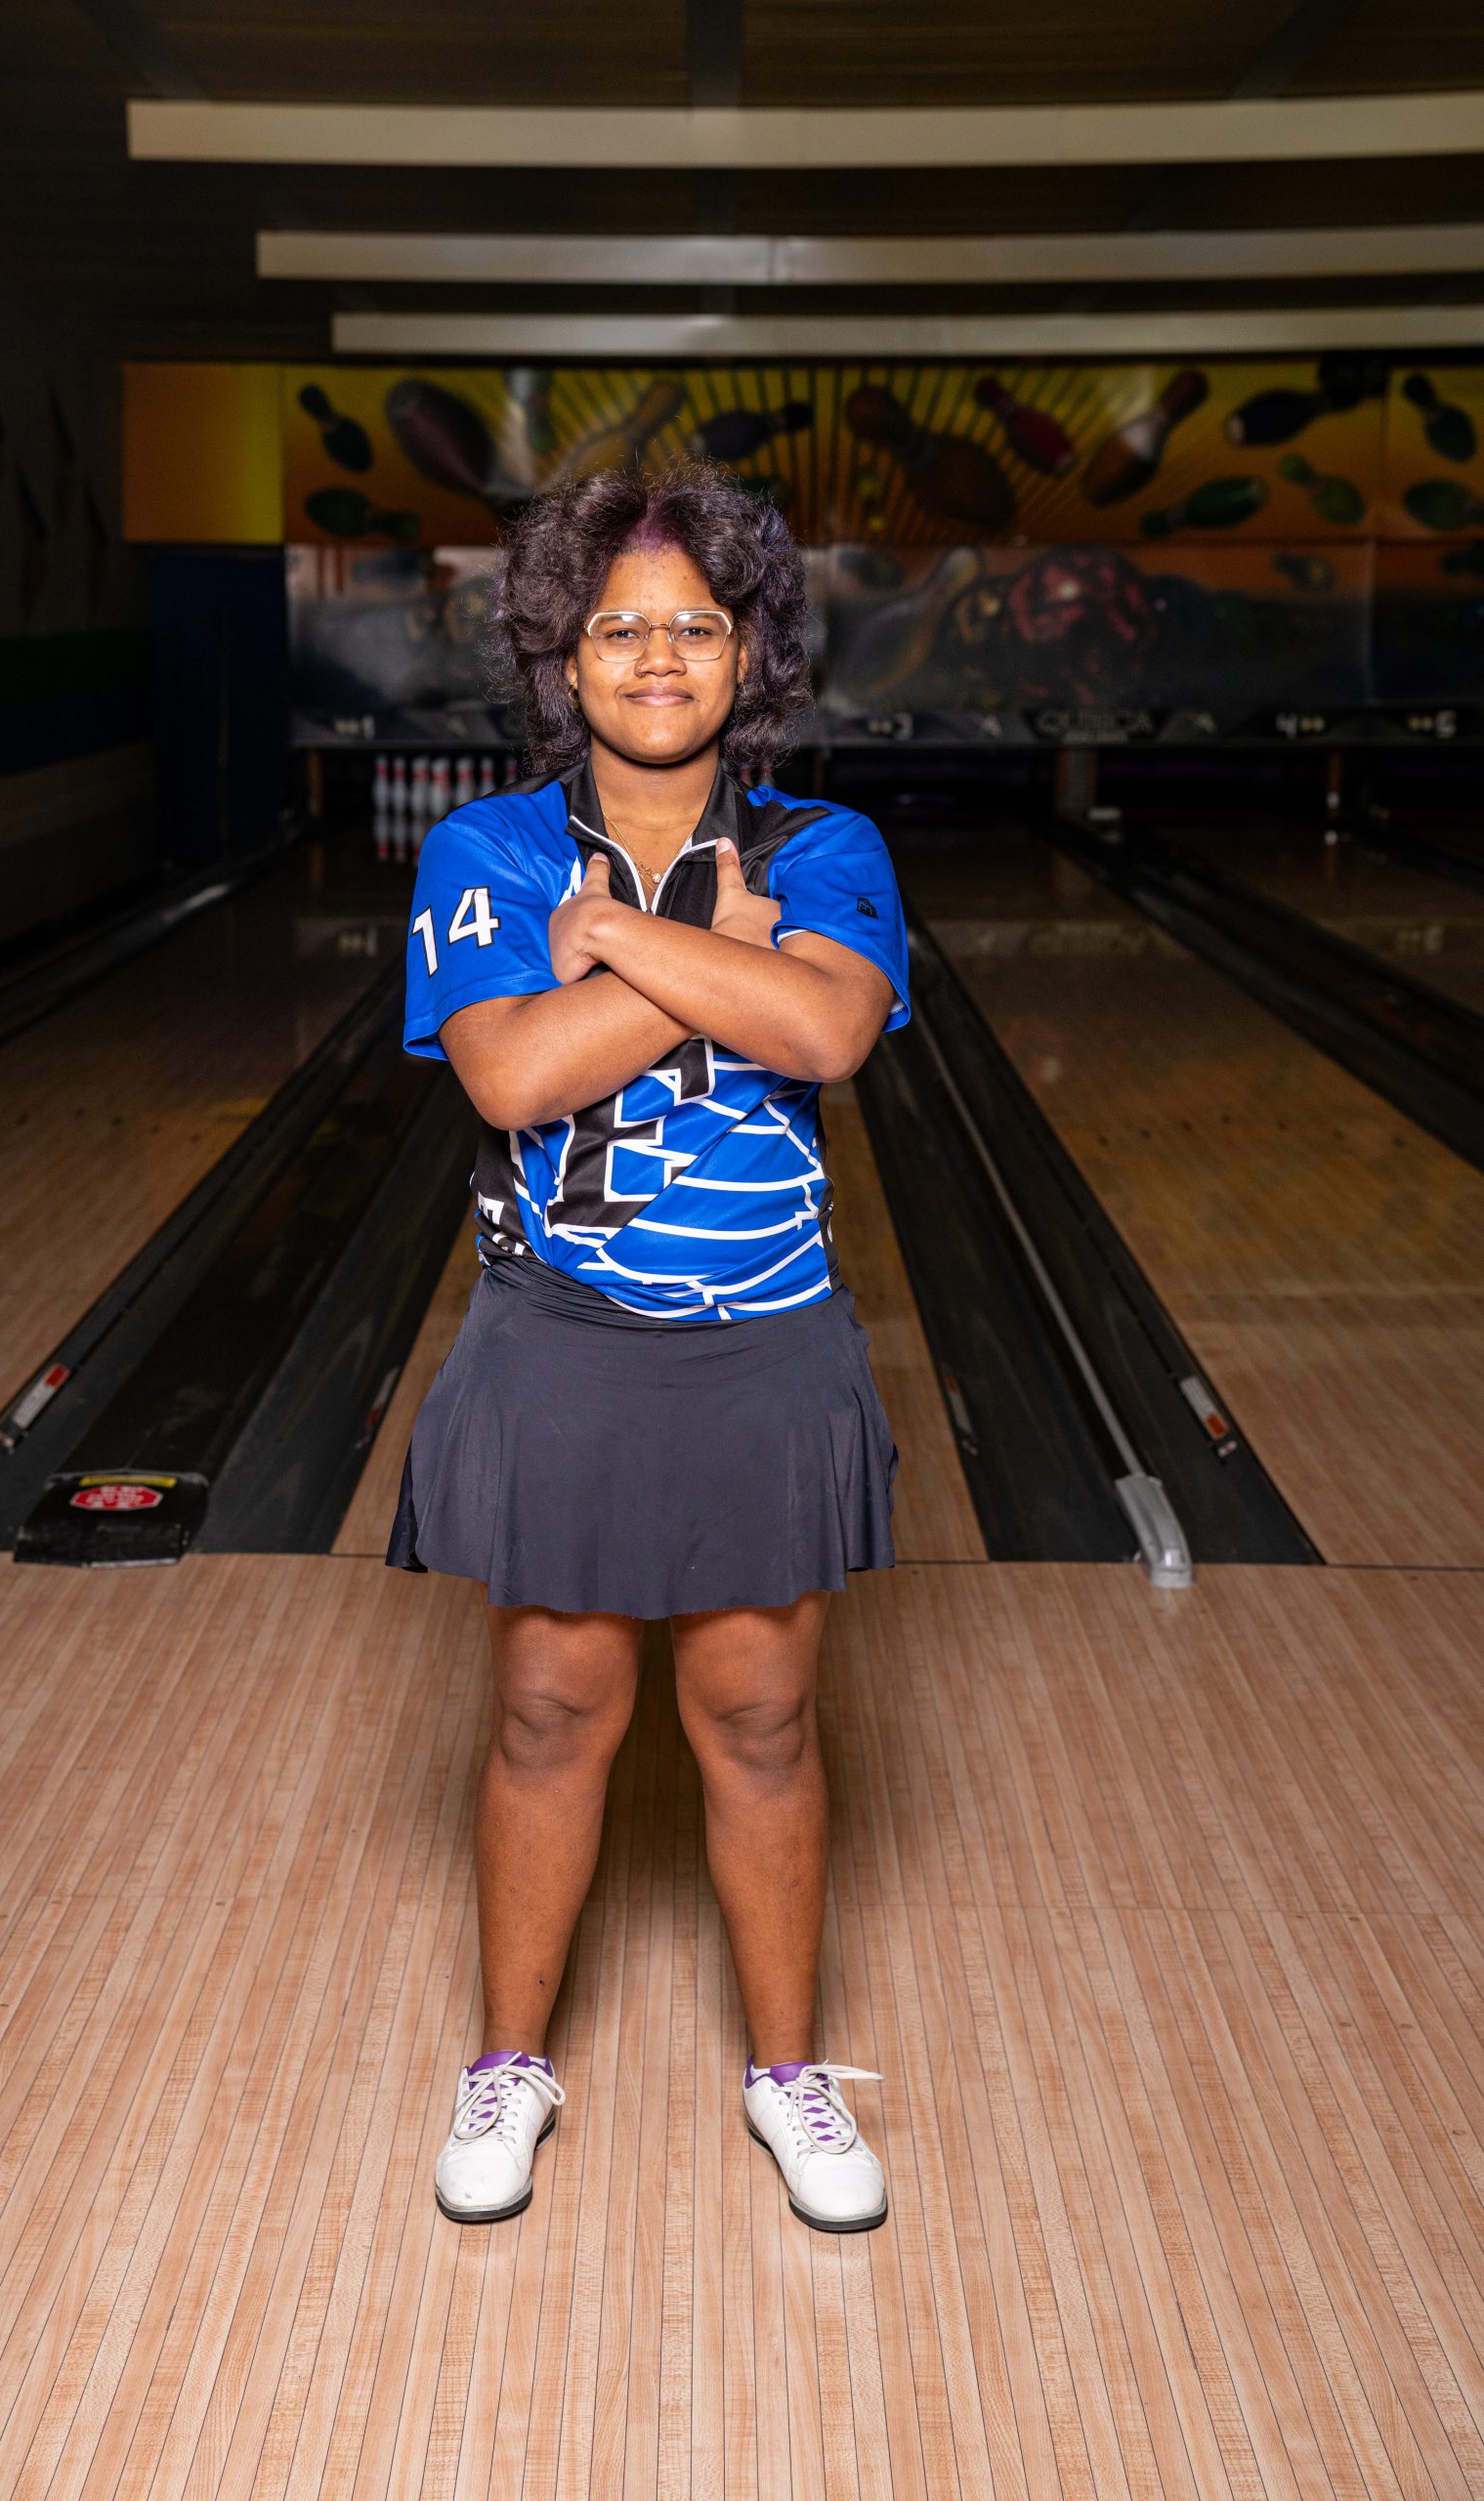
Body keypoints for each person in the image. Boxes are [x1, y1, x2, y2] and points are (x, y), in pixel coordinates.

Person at [385, 458, 910, 2233]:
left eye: (695, 624)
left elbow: (828, 1033)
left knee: (759, 1713)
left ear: (748, 653)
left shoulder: (828, 849)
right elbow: (512, 1074)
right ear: (564, 657)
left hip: (765, 1348)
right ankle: (508, 2065)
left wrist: (609, 944)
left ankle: (788, 2076)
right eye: (619, 627)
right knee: (549, 1707)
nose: (659, 656)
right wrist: (704, 950)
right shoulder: (487, 851)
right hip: (564, 1343)